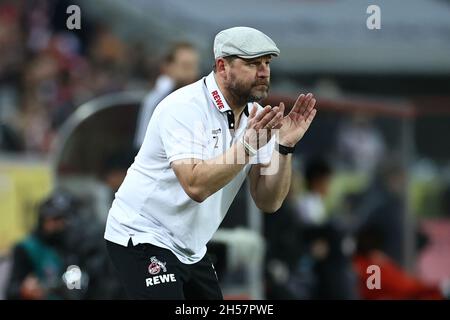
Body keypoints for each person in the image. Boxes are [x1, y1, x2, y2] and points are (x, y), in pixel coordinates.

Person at [104, 26, 317, 300]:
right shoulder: (184, 107)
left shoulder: (258, 117)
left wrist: (284, 147)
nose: (264, 72)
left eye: (267, 63)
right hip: (143, 234)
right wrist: (248, 146)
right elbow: (195, 186)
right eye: (252, 63)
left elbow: (268, 200)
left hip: (192, 247)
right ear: (222, 66)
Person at [6, 190, 79, 300]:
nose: (59, 224)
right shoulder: (26, 248)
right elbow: (11, 290)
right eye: (54, 219)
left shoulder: (71, 244)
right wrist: (24, 290)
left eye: (62, 219)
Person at [134, 42, 200, 148]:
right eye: (185, 66)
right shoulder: (159, 101)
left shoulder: (200, 100)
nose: (190, 73)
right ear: (168, 67)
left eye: (193, 66)